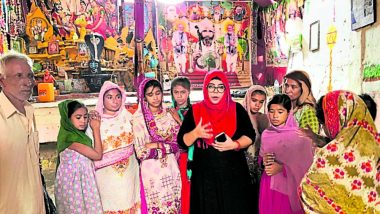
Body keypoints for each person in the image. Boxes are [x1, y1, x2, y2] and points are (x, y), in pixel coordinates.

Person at [178, 70, 256, 214]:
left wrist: (234, 144)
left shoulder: (236, 109)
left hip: (233, 175)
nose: (216, 91)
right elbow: (182, 142)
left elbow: (250, 136)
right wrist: (196, 133)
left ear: (226, 89)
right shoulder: (196, 110)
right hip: (205, 177)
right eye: (211, 86)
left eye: (220, 87)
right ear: (205, 88)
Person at [300, 90, 380, 213]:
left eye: (324, 124)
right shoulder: (375, 146)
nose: (325, 130)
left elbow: (309, 191)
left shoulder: (330, 156)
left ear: (334, 121)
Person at [0, 51, 45, 213]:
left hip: (34, 205)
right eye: (19, 76)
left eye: (30, 76)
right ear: (2, 80)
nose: (27, 82)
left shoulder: (29, 111)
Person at [89, 81, 141, 213]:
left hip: (130, 174)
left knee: (130, 203)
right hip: (106, 178)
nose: (115, 101)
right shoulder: (95, 121)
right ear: (102, 99)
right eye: (110, 97)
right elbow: (91, 150)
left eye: (118, 97)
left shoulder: (127, 116)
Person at [132, 79, 181, 213]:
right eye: (150, 94)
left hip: (171, 169)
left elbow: (179, 143)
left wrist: (154, 145)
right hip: (152, 173)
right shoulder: (139, 119)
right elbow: (141, 152)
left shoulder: (169, 114)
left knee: (173, 207)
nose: (155, 98)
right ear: (144, 97)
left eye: (158, 93)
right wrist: (164, 146)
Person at [259, 94, 314, 214]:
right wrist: (263, 162)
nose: (275, 116)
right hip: (268, 185)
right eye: (271, 111)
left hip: (287, 188)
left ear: (288, 113)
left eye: (280, 111)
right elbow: (261, 159)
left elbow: (306, 165)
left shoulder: (301, 136)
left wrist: (282, 168)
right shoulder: (266, 134)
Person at [55, 100, 103, 213]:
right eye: (78, 117)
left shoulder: (79, 135)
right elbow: (97, 155)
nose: (83, 121)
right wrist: (96, 128)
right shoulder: (71, 139)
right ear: (68, 119)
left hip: (83, 181)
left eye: (85, 117)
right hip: (74, 184)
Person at [169, 77, 193, 214]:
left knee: (185, 191)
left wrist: (178, 119)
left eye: (182, 92)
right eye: (175, 92)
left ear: (189, 92)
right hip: (171, 157)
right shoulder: (168, 111)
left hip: (186, 156)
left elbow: (192, 134)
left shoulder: (194, 111)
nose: (179, 96)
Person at [242, 85, 270, 184]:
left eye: (261, 102)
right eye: (254, 100)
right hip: (242, 163)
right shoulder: (241, 116)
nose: (257, 105)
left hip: (260, 164)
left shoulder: (264, 118)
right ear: (248, 98)